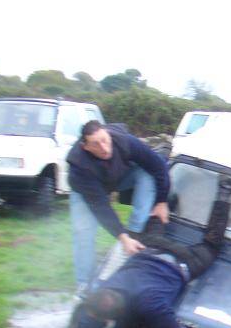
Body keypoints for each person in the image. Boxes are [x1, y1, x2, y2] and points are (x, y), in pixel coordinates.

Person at [71, 177, 231, 328]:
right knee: (157, 217)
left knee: (212, 244)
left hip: (184, 261)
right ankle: (169, 187)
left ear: (112, 318)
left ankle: (224, 192)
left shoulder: (150, 304)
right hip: (151, 247)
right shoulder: (105, 289)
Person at [67, 121, 170, 288]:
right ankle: (84, 285)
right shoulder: (79, 167)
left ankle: (135, 231)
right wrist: (122, 237)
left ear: (108, 134)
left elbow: (158, 166)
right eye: (96, 144)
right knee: (83, 233)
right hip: (88, 189)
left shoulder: (125, 141)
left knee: (146, 173)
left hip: (120, 177)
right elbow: (101, 207)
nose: (104, 148)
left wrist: (161, 201)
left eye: (105, 140)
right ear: (85, 146)